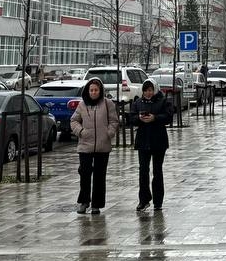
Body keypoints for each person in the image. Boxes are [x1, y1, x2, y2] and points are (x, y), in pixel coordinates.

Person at [70, 77, 119, 215]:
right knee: (84, 174)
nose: (93, 92)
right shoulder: (82, 105)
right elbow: (74, 121)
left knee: (99, 176)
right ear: (88, 91)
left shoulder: (107, 104)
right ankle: (84, 201)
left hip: (102, 146)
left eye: (96, 90)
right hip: (85, 145)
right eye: (91, 90)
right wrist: (81, 131)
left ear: (100, 91)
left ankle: (97, 204)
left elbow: (114, 121)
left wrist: (109, 133)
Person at [130, 79, 172, 211]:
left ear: (154, 90)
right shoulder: (138, 103)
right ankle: (144, 200)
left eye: (150, 90)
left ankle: (158, 201)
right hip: (143, 141)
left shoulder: (162, 101)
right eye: (146, 90)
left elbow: (168, 117)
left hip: (158, 140)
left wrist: (155, 118)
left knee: (157, 170)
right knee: (143, 170)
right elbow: (131, 118)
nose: (148, 93)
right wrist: (139, 118)